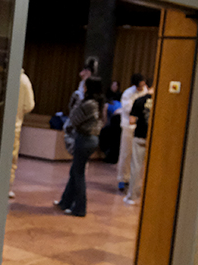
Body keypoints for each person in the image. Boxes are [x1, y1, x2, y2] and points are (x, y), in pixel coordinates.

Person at [55, 77, 105, 217]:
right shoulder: (99, 103)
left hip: (84, 139)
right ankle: (65, 202)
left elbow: (74, 118)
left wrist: (76, 102)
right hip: (92, 139)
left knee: (78, 174)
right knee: (75, 171)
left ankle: (80, 208)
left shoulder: (88, 104)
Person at [116, 74, 148, 193]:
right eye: (139, 86)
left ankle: (134, 180)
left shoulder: (146, 91)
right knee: (126, 153)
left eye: (143, 85)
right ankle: (122, 178)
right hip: (128, 126)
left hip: (140, 127)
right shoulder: (128, 93)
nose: (142, 87)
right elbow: (128, 109)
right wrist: (139, 106)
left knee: (138, 155)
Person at [124, 85, 153, 205]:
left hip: (140, 136)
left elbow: (131, 120)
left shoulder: (139, 101)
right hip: (154, 138)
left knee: (136, 166)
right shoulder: (162, 102)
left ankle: (132, 196)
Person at [10, 68, 35, 199]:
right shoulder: (24, 80)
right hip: (15, 126)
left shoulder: (4, 75)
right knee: (11, 159)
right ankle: (7, 187)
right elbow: (29, 105)